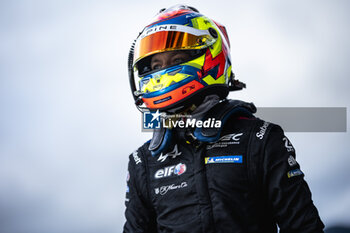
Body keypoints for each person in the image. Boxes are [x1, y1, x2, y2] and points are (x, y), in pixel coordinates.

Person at [124, 4, 324, 233]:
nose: (162, 71)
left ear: (209, 55)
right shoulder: (143, 161)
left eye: (176, 59)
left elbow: (304, 227)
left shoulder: (260, 139)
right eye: (155, 65)